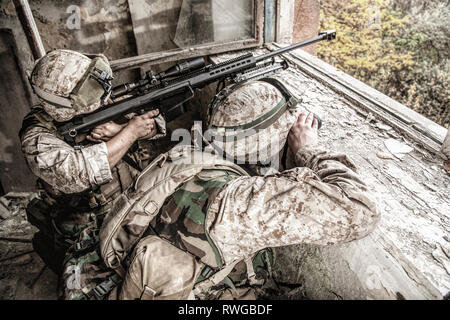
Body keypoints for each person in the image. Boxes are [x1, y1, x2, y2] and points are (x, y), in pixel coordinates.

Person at [96, 78, 380, 300]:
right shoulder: (239, 203)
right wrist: (308, 149)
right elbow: (361, 211)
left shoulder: (193, 153)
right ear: (270, 144)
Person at [19, 49, 166, 299]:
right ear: (65, 105)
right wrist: (128, 133)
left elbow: (155, 122)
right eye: (93, 95)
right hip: (86, 224)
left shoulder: (99, 96)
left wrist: (122, 129)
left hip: (132, 197)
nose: (105, 100)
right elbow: (79, 172)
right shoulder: (37, 139)